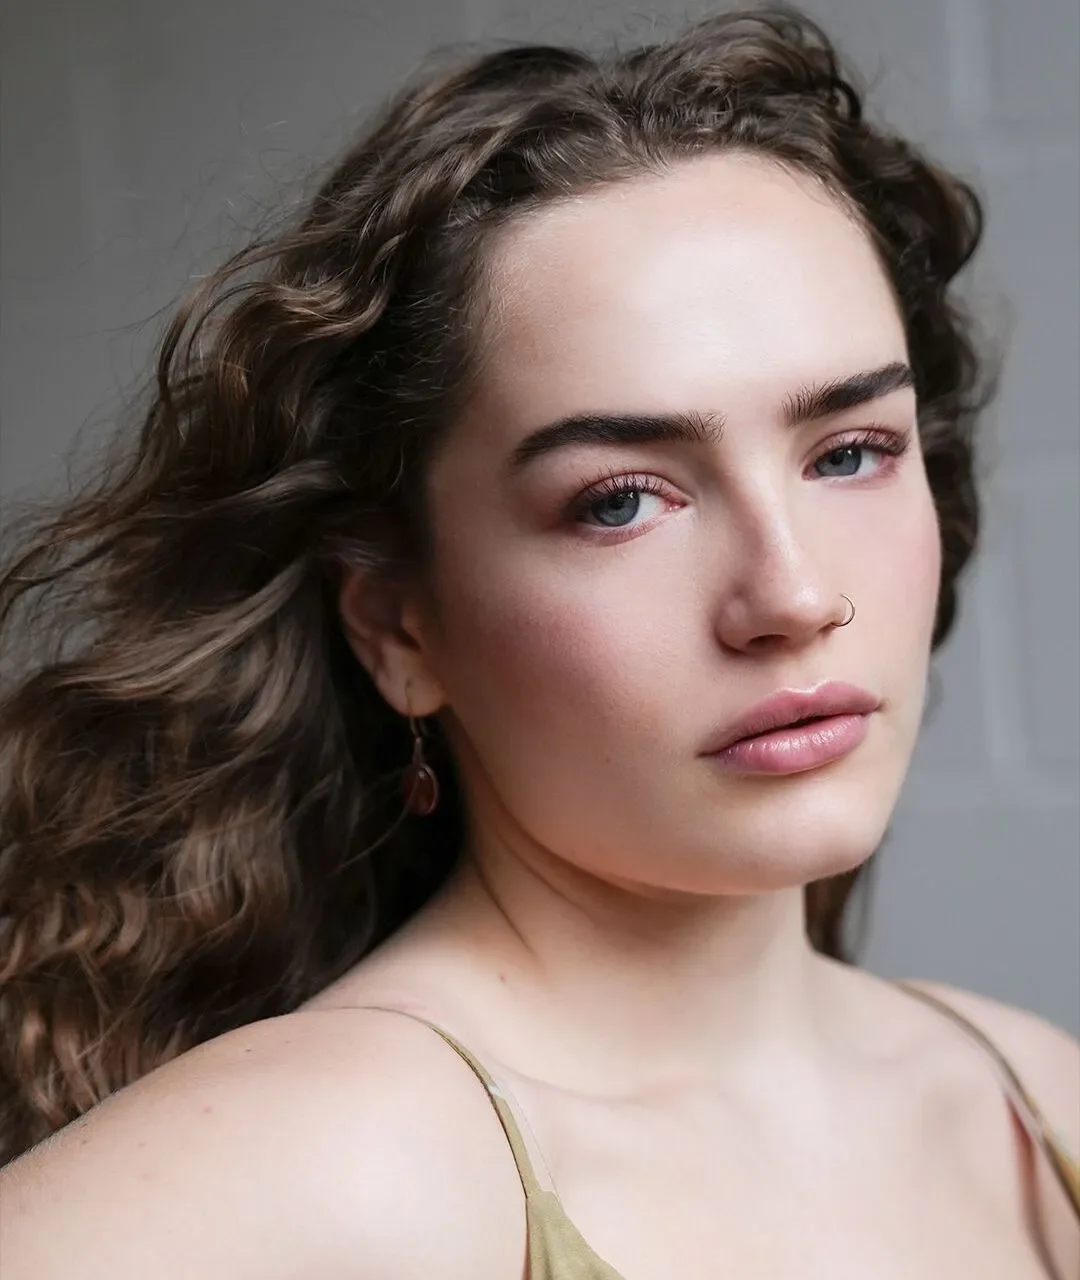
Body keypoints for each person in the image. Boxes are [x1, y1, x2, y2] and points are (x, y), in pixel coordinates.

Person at [0, 6, 1077, 1277]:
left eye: (849, 451)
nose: (791, 594)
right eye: (620, 498)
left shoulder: (1036, 1098)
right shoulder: (331, 1161)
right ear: (400, 623)